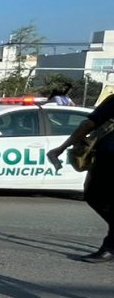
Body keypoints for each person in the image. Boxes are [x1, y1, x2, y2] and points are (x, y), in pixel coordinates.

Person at [47, 92, 114, 263]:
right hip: (105, 159)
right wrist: (62, 147)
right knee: (94, 196)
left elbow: (89, 124)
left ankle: (110, 248)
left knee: (96, 196)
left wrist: (62, 147)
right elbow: (90, 123)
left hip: (108, 162)